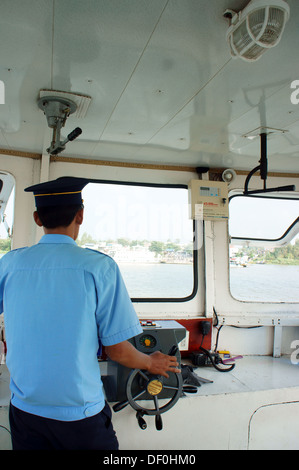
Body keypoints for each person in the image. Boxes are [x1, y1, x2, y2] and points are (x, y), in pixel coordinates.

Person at [0, 176, 180, 450]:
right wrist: (150, 363)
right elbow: (118, 352)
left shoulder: (10, 263)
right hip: (80, 417)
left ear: (38, 219)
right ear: (80, 216)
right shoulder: (99, 267)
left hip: (26, 414)